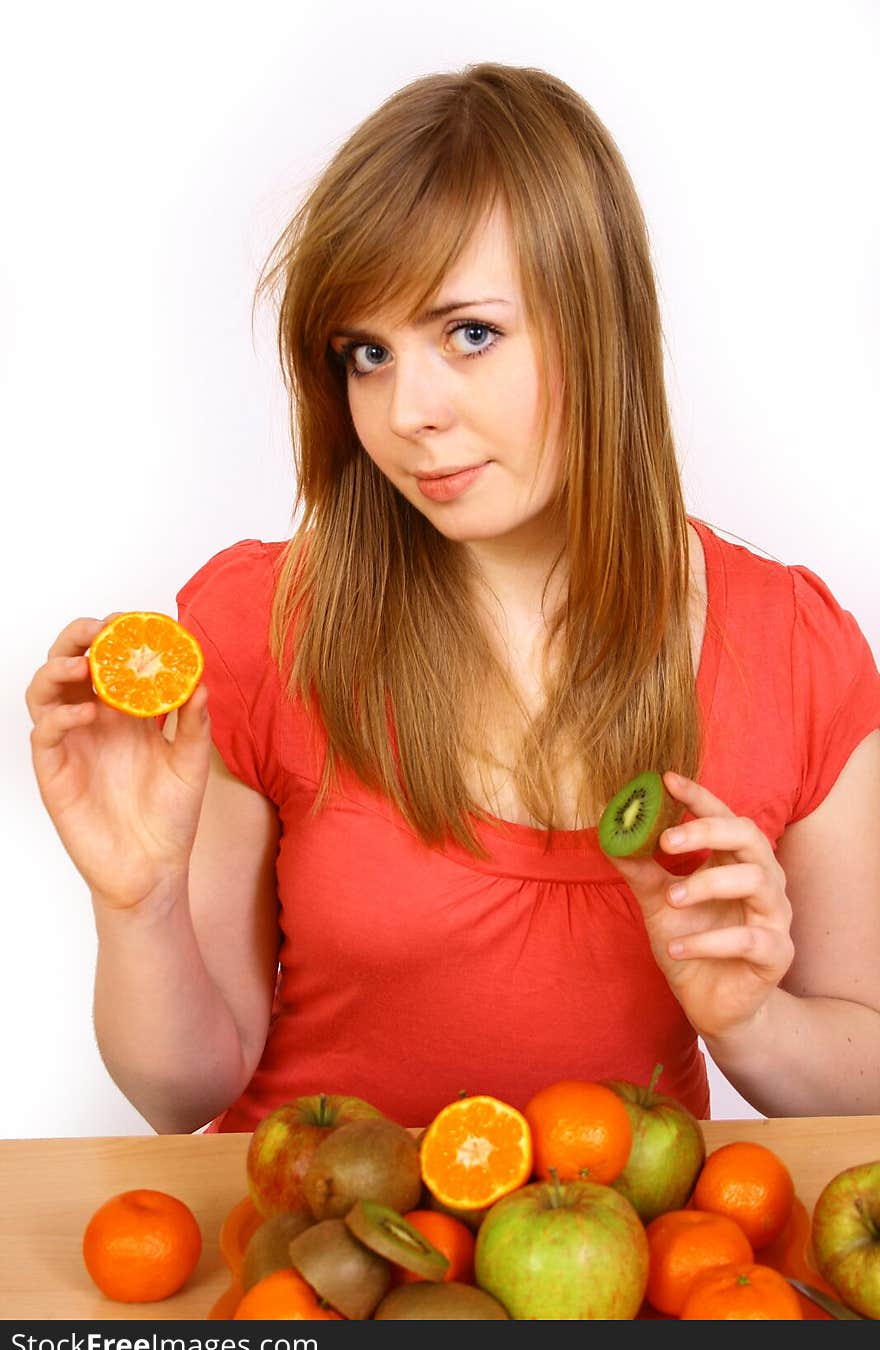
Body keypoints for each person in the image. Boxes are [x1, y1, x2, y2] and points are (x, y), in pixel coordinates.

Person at [27, 63, 880, 1136]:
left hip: (626, 1275)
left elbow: (867, 1075)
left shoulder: (795, 652)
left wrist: (752, 1020)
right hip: (311, 1257)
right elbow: (179, 1090)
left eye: (468, 333)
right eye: (367, 354)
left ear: (598, 322)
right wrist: (138, 905)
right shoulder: (259, 628)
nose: (406, 412)